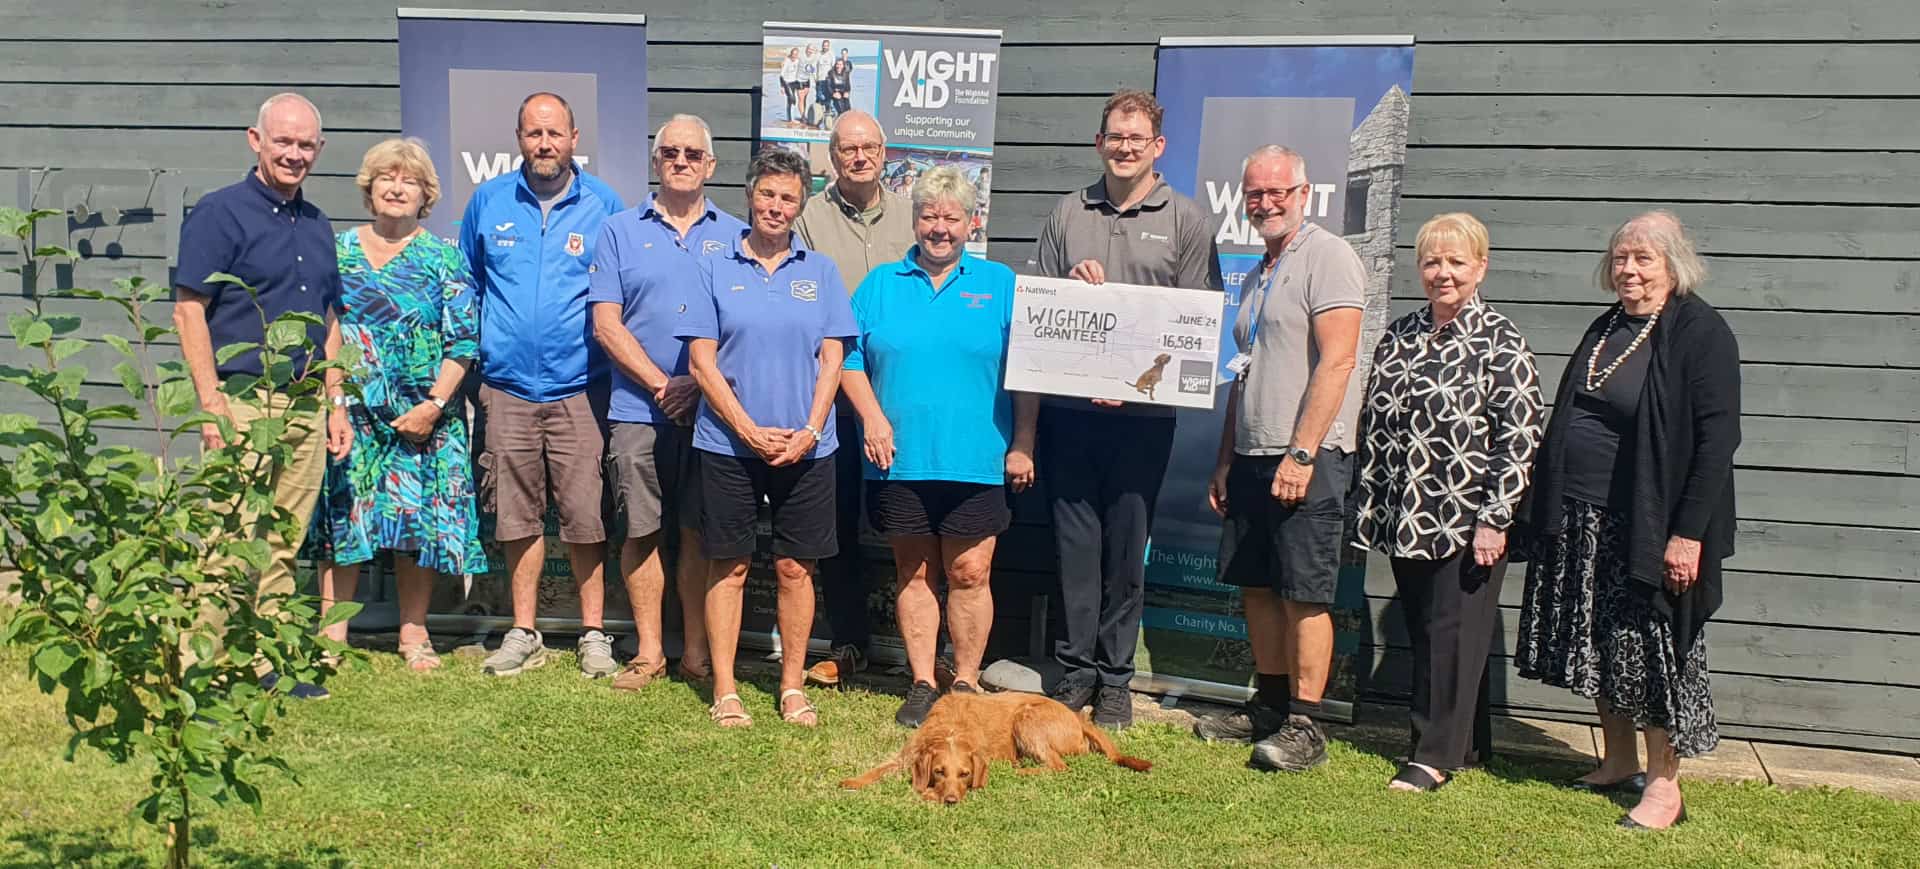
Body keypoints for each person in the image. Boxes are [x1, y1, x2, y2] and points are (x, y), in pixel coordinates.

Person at [1514, 210, 1740, 830]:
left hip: (1651, 525)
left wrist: (1687, 533)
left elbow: (1718, 442)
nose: (1628, 270)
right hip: (1585, 517)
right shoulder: (1609, 323)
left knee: (1650, 649)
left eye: (1643, 258)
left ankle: (1664, 787)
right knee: (1601, 644)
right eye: (1620, 258)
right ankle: (1617, 761)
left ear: (1674, 264)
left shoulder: (1700, 330)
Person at [1028, 89, 1221, 729]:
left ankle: (1116, 678)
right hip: (1071, 416)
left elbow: (1199, 326)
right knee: (1075, 546)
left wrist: (1133, 381)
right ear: (1100, 141)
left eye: (1137, 138)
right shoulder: (1066, 214)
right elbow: (1039, 320)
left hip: (1144, 419)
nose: (1126, 147)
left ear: (1157, 146)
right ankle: (1076, 670)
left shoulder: (1188, 220)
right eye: (1116, 136)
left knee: (1125, 547)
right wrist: (1068, 291)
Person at [1349, 212, 1544, 790]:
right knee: (1436, 632)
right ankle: (1471, 743)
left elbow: (1520, 437)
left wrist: (1495, 520)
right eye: (1432, 261)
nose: (1443, 273)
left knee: (1451, 635)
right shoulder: (1403, 332)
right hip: (1407, 514)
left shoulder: (1501, 342)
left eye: (1457, 262)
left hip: (1467, 518)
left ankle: (1433, 754)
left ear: (1481, 267)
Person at [840, 166, 1039, 727]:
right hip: (899, 458)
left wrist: (1023, 440)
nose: (940, 227)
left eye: (952, 217)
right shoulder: (880, 283)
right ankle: (924, 681)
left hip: (978, 457)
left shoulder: (1000, 284)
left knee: (971, 572)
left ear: (972, 222)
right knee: (915, 572)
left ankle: (968, 681)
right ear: (915, 220)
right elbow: (847, 357)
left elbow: (1028, 370)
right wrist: (873, 417)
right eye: (929, 215)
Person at [172, 92, 351, 700]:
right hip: (243, 400)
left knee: (283, 541)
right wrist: (210, 401)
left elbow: (328, 318)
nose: (295, 154)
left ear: (319, 150)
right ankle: (203, 668)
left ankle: (263, 661)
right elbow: (188, 310)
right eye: (284, 142)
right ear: (256, 140)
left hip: (303, 404)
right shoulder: (219, 214)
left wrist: (336, 399)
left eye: (306, 145)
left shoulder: (320, 224)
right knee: (231, 538)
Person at [1193, 145, 1365, 770]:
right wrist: (1225, 458)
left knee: (1304, 594)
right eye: (1255, 195)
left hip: (1306, 457)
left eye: (1277, 193)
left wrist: (1301, 453)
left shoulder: (1330, 257)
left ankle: (1306, 723)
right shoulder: (1260, 270)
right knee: (1259, 588)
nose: (1265, 204)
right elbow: (1245, 374)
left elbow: (1339, 360)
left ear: (1304, 192)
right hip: (1250, 454)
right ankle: (1266, 705)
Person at [676, 148, 857, 728]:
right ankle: (726, 688)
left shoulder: (821, 271)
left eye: (788, 198)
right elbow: (701, 363)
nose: (776, 207)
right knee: (727, 566)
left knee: (794, 569)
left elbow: (834, 358)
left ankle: (791, 687)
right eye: (767, 195)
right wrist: (748, 429)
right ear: (750, 196)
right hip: (728, 445)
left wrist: (808, 430)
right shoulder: (712, 266)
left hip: (807, 448)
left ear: (800, 205)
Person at [458, 92, 626, 679]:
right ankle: (523, 630)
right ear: (519, 138)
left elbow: (621, 296)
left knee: (585, 517)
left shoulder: (604, 205)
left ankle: (594, 634)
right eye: (534, 134)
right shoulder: (489, 201)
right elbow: (468, 286)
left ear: (575, 138)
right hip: (505, 389)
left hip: (581, 388)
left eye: (555, 133)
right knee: (516, 517)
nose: (545, 144)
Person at [306, 138, 489, 672]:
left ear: (425, 193)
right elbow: (327, 333)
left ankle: (414, 634)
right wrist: (335, 402)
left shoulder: (443, 258)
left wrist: (434, 405)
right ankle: (331, 638)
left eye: (408, 180)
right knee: (345, 521)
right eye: (387, 177)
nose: (396, 187)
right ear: (370, 187)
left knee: (417, 526)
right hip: (354, 415)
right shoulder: (336, 252)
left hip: (423, 419)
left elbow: (463, 343)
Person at [589, 114, 746, 691]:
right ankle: (650, 651)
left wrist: (696, 386)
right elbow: (607, 324)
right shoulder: (618, 231)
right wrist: (663, 383)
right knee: (642, 531)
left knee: (702, 532)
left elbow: (747, 325)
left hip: (713, 416)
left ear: (710, 165)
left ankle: (698, 654)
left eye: (692, 154)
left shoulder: (737, 235)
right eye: (670, 153)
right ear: (656, 162)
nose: (680, 161)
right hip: (637, 409)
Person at [794, 111, 919, 690]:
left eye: (869, 147)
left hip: (903, 393)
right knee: (836, 523)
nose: (860, 157)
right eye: (848, 149)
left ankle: (928, 653)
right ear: (832, 156)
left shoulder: (914, 216)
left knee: (916, 521)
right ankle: (849, 644)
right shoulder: (808, 219)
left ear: (885, 152)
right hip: (832, 394)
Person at [779, 47, 803, 123]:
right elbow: (781, 75)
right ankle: (791, 119)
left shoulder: (798, 61)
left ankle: (790, 119)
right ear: (791, 54)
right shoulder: (787, 61)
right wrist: (782, 87)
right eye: (793, 54)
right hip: (786, 82)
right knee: (793, 99)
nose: (794, 56)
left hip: (794, 83)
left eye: (796, 54)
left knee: (790, 101)